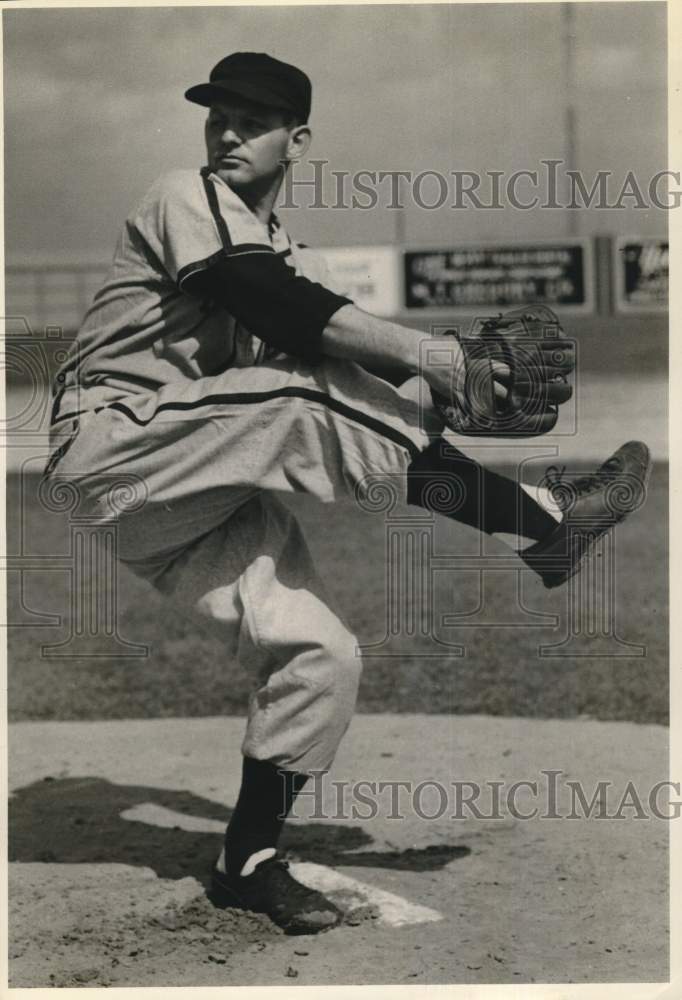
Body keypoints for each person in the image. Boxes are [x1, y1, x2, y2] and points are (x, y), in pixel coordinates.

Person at [45, 52, 651, 935]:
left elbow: (334, 345)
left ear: (298, 139)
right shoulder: (182, 193)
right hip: (111, 443)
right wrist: (433, 354)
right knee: (301, 402)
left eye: (250, 119)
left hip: (182, 499)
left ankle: (248, 861)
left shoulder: (291, 254)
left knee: (322, 656)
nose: (225, 131)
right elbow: (263, 298)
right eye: (217, 114)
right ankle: (541, 526)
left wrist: (442, 387)